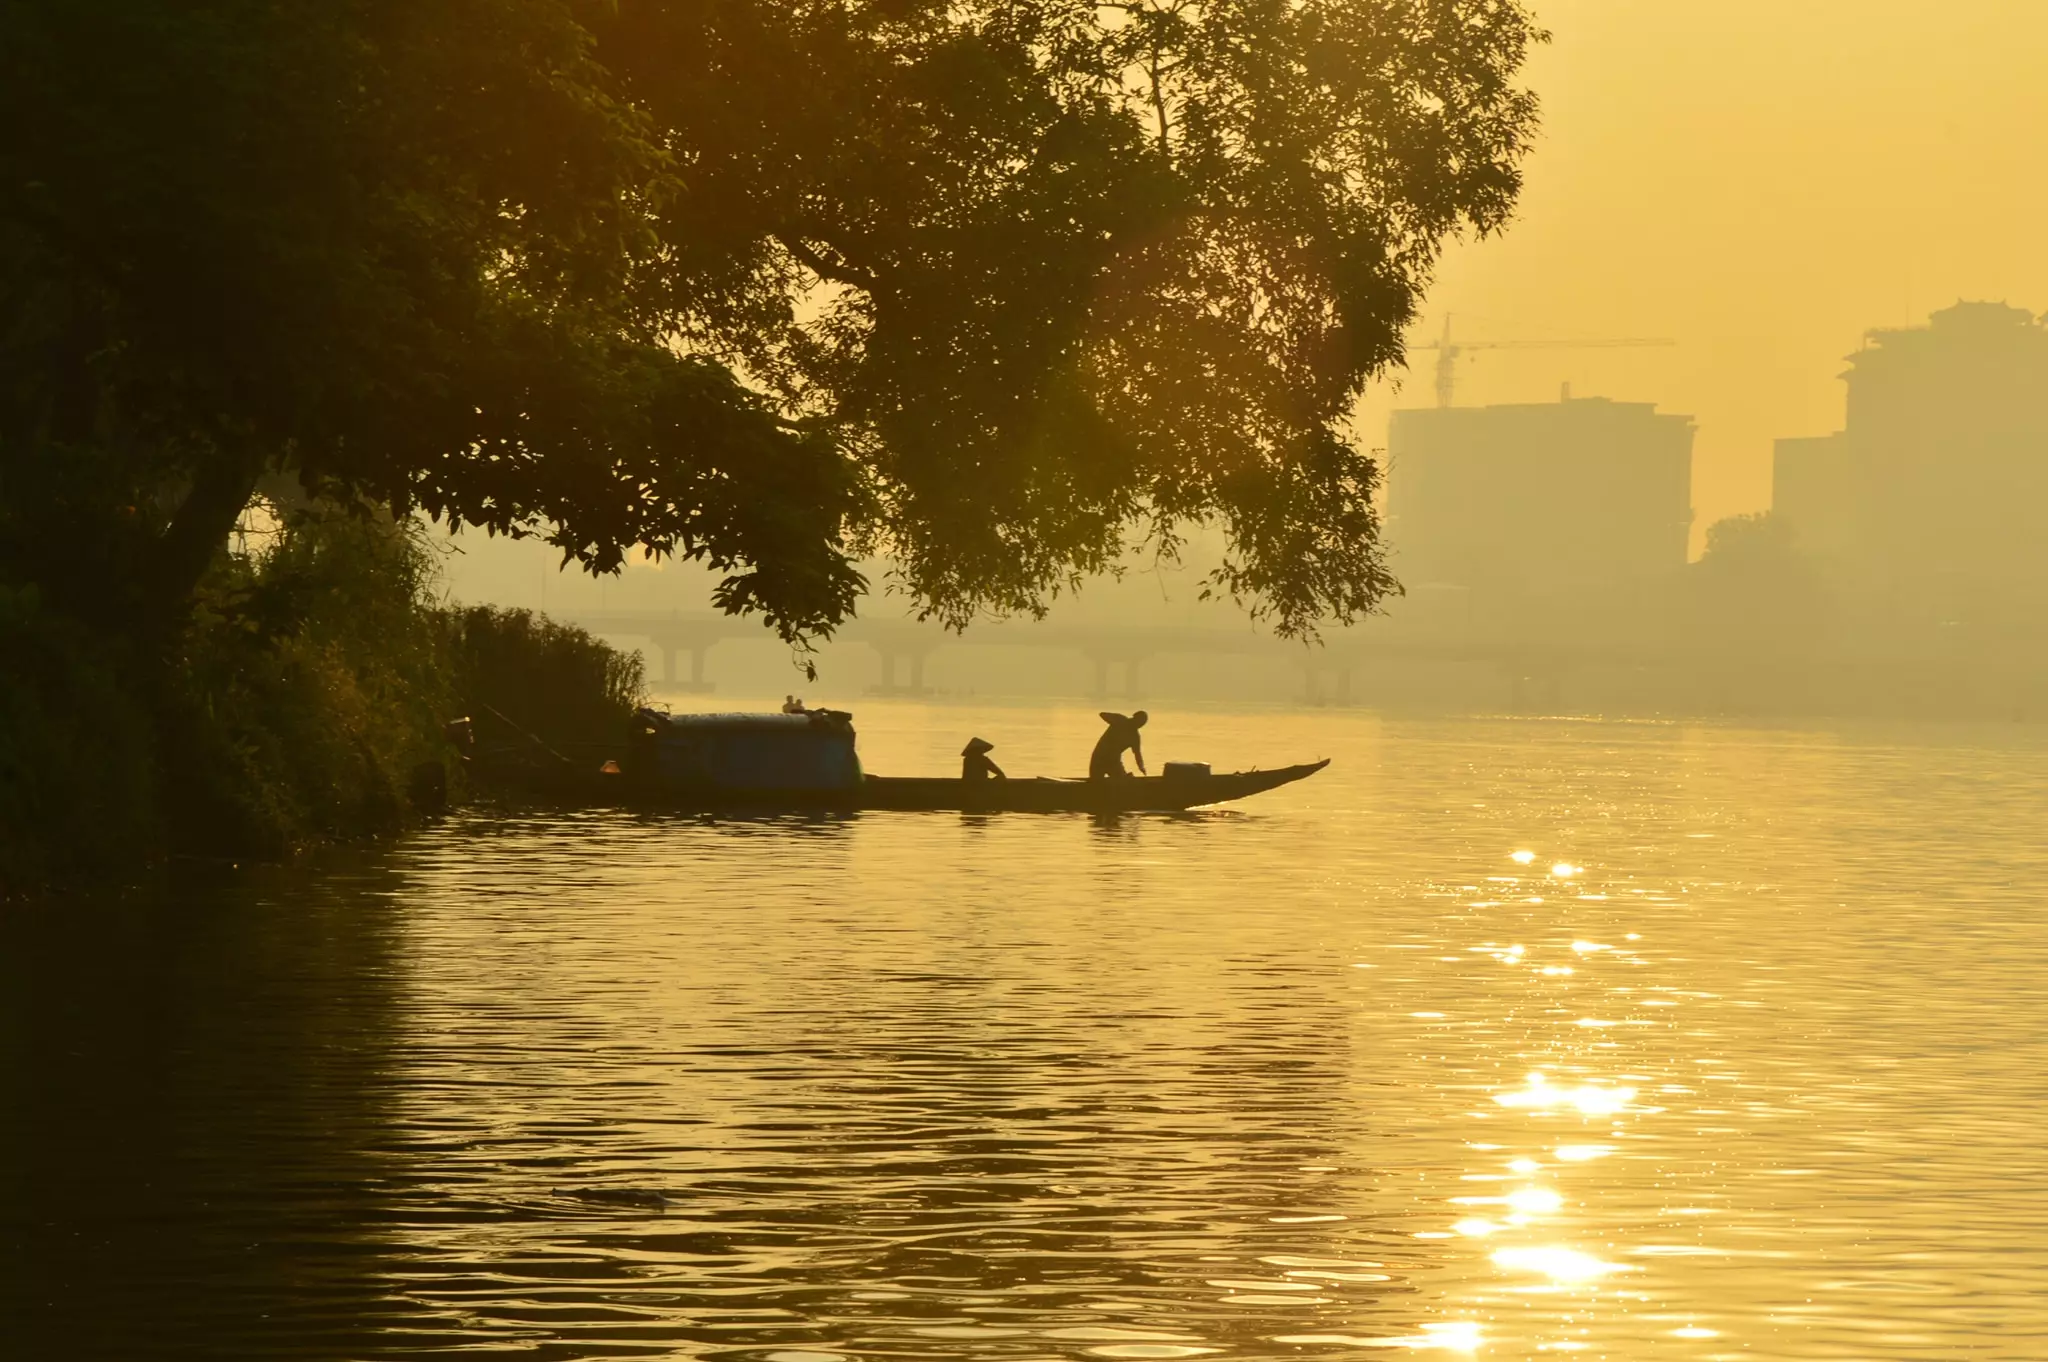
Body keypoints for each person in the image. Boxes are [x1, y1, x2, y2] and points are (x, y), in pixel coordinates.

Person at [1088, 710, 1148, 779]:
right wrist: (1115, 719)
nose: (1140, 725)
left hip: (1113, 761)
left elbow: (1137, 754)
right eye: (1140, 722)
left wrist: (1141, 767)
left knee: (1121, 780)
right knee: (1095, 781)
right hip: (1099, 757)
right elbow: (1102, 714)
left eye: (1142, 724)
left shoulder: (1135, 737)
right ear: (1134, 718)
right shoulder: (1120, 720)